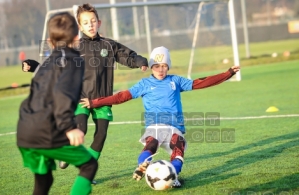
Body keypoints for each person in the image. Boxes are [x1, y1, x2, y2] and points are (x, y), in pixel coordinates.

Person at [79, 46, 240, 188]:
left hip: (175, 127)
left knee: (178, 148)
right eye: (156, 66)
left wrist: (228, 73)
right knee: (152, 142)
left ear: (168, 66)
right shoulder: (144, 84)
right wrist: (94, 102)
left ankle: (171, 174)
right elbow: (121, 96)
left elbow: (202, 82)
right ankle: (146, 164)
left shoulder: (175, 81)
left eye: (164, 66)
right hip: (155, 125)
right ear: (151, 66)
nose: (160, 69)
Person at [22, 3, 148, 175]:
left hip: (102, 100)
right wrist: (34, 65)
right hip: (79, 98)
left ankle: (86, 170)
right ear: (80, 26)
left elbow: (127, 56)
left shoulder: (109, 46)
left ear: (99, 23)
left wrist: (140, 61)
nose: (90, 25)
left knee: (101, 134)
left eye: (93, 21)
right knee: (81, 129)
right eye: (86, 22)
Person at [17, 12, 98, 195]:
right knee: (88, 165)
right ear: (77, 39)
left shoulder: (45, 64)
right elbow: (63, 92)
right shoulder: (74, 61)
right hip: (46, 131)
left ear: (50, 42)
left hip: (24, 131)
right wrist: (69, 127)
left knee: (44, 179)